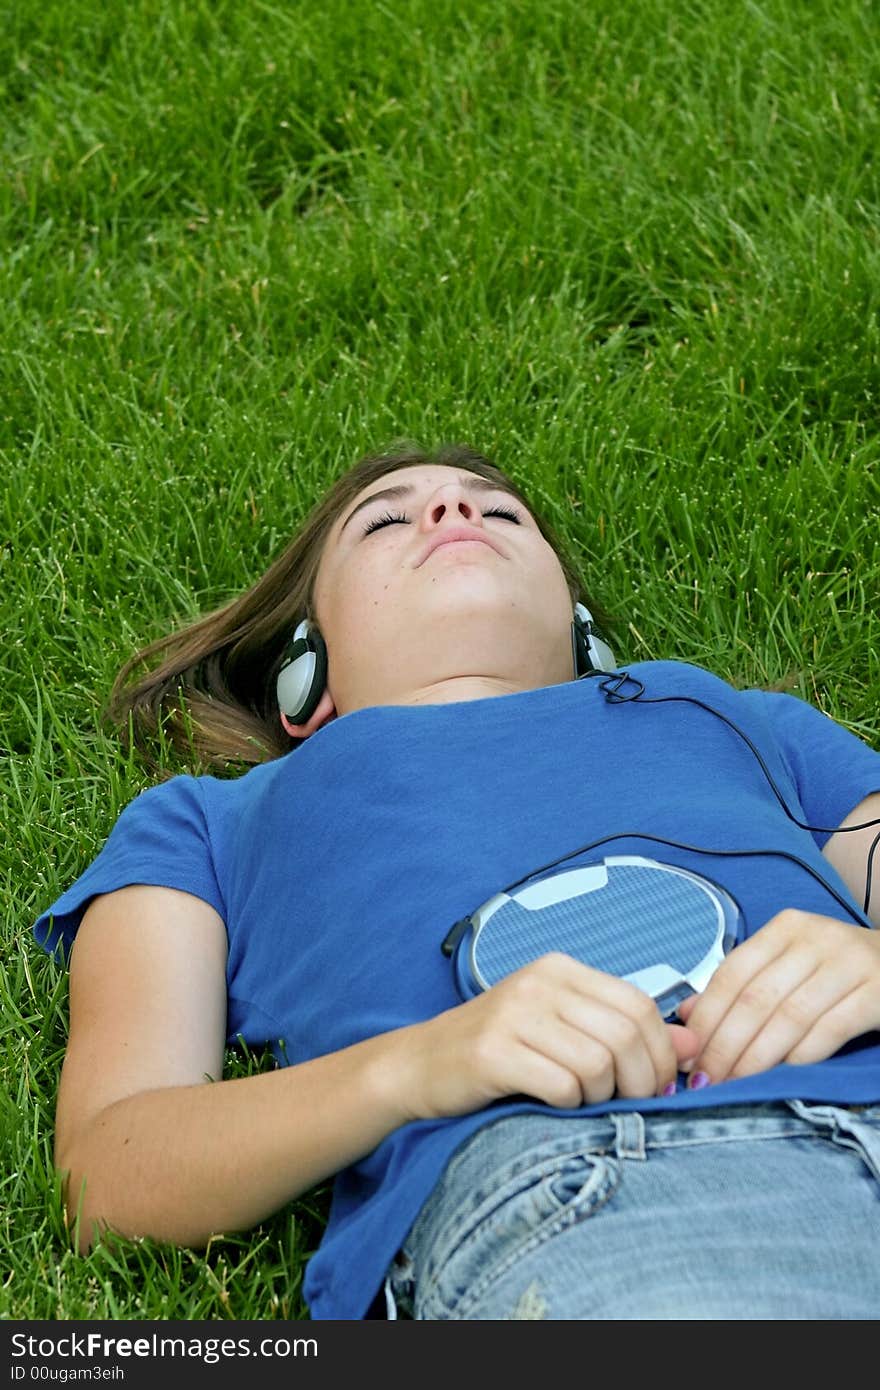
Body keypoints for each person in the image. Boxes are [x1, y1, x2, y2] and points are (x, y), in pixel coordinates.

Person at [34, 441, 880, 1321]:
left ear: (582, 630)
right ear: (304, 675)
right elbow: (107, 1172)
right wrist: (417, 1067)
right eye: (388, 519)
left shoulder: (742, 721)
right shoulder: (207, 823)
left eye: (501, 510)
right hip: (579, 1188)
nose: (452, 512)